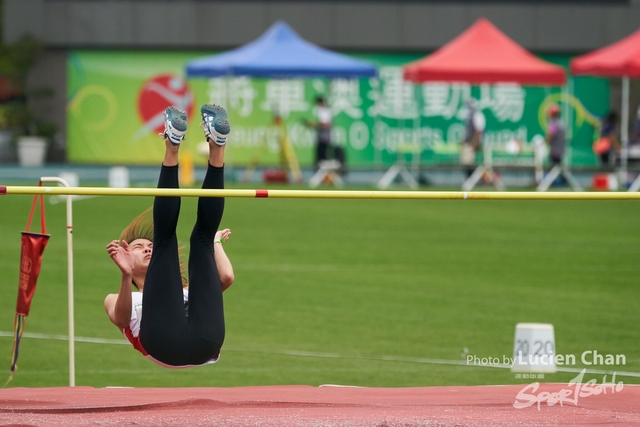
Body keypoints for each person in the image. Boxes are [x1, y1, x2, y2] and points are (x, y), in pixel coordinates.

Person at [104, 104, 234, 368]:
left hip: (205, 342)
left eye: (148, 245)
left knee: (197, 240)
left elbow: (225, 278)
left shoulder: (186, 289)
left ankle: (214, 145)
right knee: (195, 238)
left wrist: (214, 243)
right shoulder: (117, 298)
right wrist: (126, 274)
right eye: (139, 247)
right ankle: (175, 146)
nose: (147, 248)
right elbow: (120, 319)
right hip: (165, 342)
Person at [306, 96, 346, 174]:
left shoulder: (325, 111)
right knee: (320, 159)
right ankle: (321, 176)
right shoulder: (322, 111)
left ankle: (324, 176)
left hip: (325, 139)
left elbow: (325, 124)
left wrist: (313, 124)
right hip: (322, 138)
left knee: (323, 160)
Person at [460, 98, 485, 178]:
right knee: (466, 163)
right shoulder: (469, 116)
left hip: (473, 143)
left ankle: (474, 180)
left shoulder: (477, 116)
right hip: (468, 143)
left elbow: (479, 131)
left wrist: (474, 144)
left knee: (470, 163)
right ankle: (471, 180)